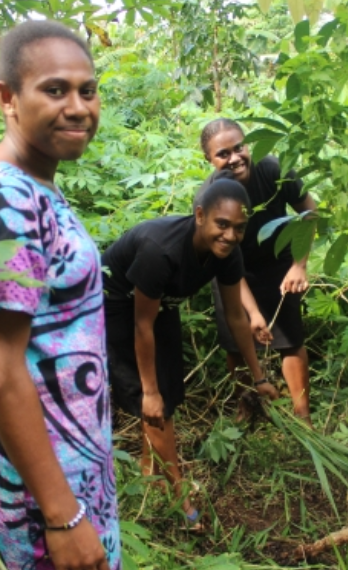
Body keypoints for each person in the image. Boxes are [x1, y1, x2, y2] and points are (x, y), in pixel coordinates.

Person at [0, 20, 118, 570]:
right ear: (7, 99)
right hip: (25, 485)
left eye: (88, 89)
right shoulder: (4, 198)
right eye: (55, 90)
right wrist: (63, 515)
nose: (80, 107)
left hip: (56, 466)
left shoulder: (35, 183)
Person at [102, 177, 279, 529]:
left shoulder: (228, 254)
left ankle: (149, 468)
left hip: (160, 306)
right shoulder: (160, 250)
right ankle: (179, 495)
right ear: (200, 215)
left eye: (239, 228)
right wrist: (149, 392)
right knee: (154, 402)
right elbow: (141, 327)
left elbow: (235, 317)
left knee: (170, 392)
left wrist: (258, 377)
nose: (230, 235)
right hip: (116, 305)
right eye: (222, 224)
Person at [196, 118, 317, 424]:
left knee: (290, 339)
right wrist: (253, 313)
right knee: (236, 343)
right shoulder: (209, 197)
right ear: (209, 160)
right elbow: (225, 261)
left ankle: (303, 416)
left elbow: (309, 211)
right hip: (230, 268)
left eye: (240, 147)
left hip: (278, 260)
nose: (235, 158)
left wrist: (299, 266)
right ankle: (247, 408)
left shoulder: (273, 170)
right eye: (223, 154)